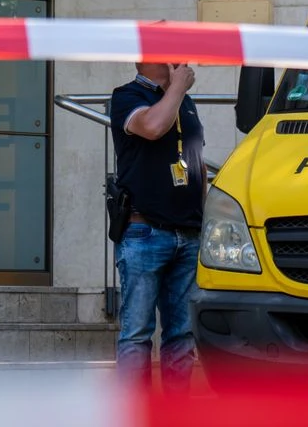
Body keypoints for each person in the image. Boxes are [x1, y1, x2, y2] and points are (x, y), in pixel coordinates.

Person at [109, 60, 206, 396]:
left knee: (181, 335)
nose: (185, 59)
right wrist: (177, 88)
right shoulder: (127, 96)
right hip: (144, 233)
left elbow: (195, 160)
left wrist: (203, 220)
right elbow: (152, 126)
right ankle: (135, 413)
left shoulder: (185, 103)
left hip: (188, 234)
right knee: (137, 334)